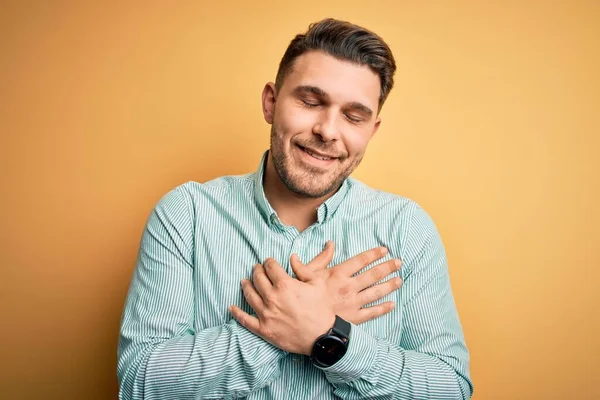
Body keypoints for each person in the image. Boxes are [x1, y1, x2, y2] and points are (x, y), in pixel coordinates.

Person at [117, 18, 473, 399]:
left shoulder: (407, 228)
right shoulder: (185, 215)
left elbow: (450, 388)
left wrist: (332, 338)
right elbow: (140, 382)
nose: (328, 130)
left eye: (353, 116)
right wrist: (279, 329)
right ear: (271, 102)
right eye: (310, 101)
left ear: (372, 129)